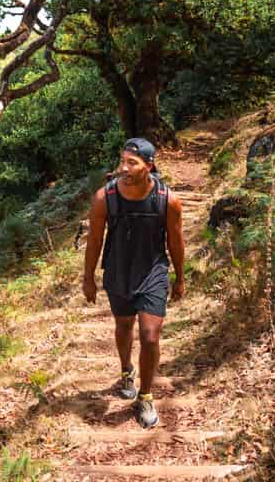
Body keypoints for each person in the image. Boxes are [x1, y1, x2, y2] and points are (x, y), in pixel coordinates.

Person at [81, 137, 185, 428]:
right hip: (118, 270)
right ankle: (127, 370)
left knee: (150, 336)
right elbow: (94, 240)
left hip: (153, 272)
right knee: (124, 325)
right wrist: (88, 278)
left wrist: (179, 278)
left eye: (132, 162)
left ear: (148, 166)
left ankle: (146, 395)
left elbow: (176, 242)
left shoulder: (168, 200)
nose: (123, 167)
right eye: (122, 160)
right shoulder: (106, 197)